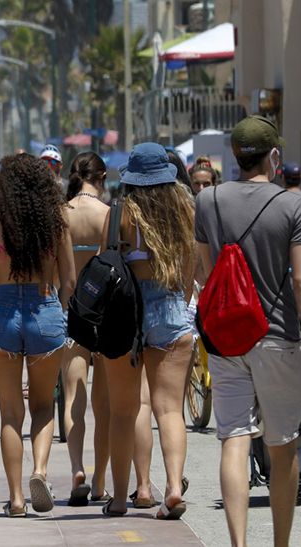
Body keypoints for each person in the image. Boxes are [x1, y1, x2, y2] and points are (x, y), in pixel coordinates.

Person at [194, 115, 301, 547]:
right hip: (278, 335)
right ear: (274, 156)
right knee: (282, 443)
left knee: (233, 437)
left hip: (226, 336)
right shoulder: (294, 206)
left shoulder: (207, 200)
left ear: (234, 156)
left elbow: (205, 271)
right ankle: (281, 544)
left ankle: (238, 543)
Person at [99, 142, 197, 520]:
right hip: (172, 308)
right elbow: (189, 271)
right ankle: (173, 488)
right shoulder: (185, 211)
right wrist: (179, 303)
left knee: (123, 411)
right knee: (169, 409)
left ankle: (122, 497)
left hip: (127, 313)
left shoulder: (120, 215)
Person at [0, 153, 76, 516]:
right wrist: (56, 313)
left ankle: (16, 498)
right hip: (44, 309)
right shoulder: (56, 223)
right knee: (44, 406)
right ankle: (40, 471)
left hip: (3, 312)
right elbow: (69, 281)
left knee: (9, 414)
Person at [58, 152, 112, 506]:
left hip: (70, 312)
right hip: (104, 315)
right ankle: (98, 480)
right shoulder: (108, 214)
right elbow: (109, 267)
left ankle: (76, 467)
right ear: (102, 176)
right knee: (104, 403)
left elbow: (62, 275)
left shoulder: (62, 214)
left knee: (73, 397)